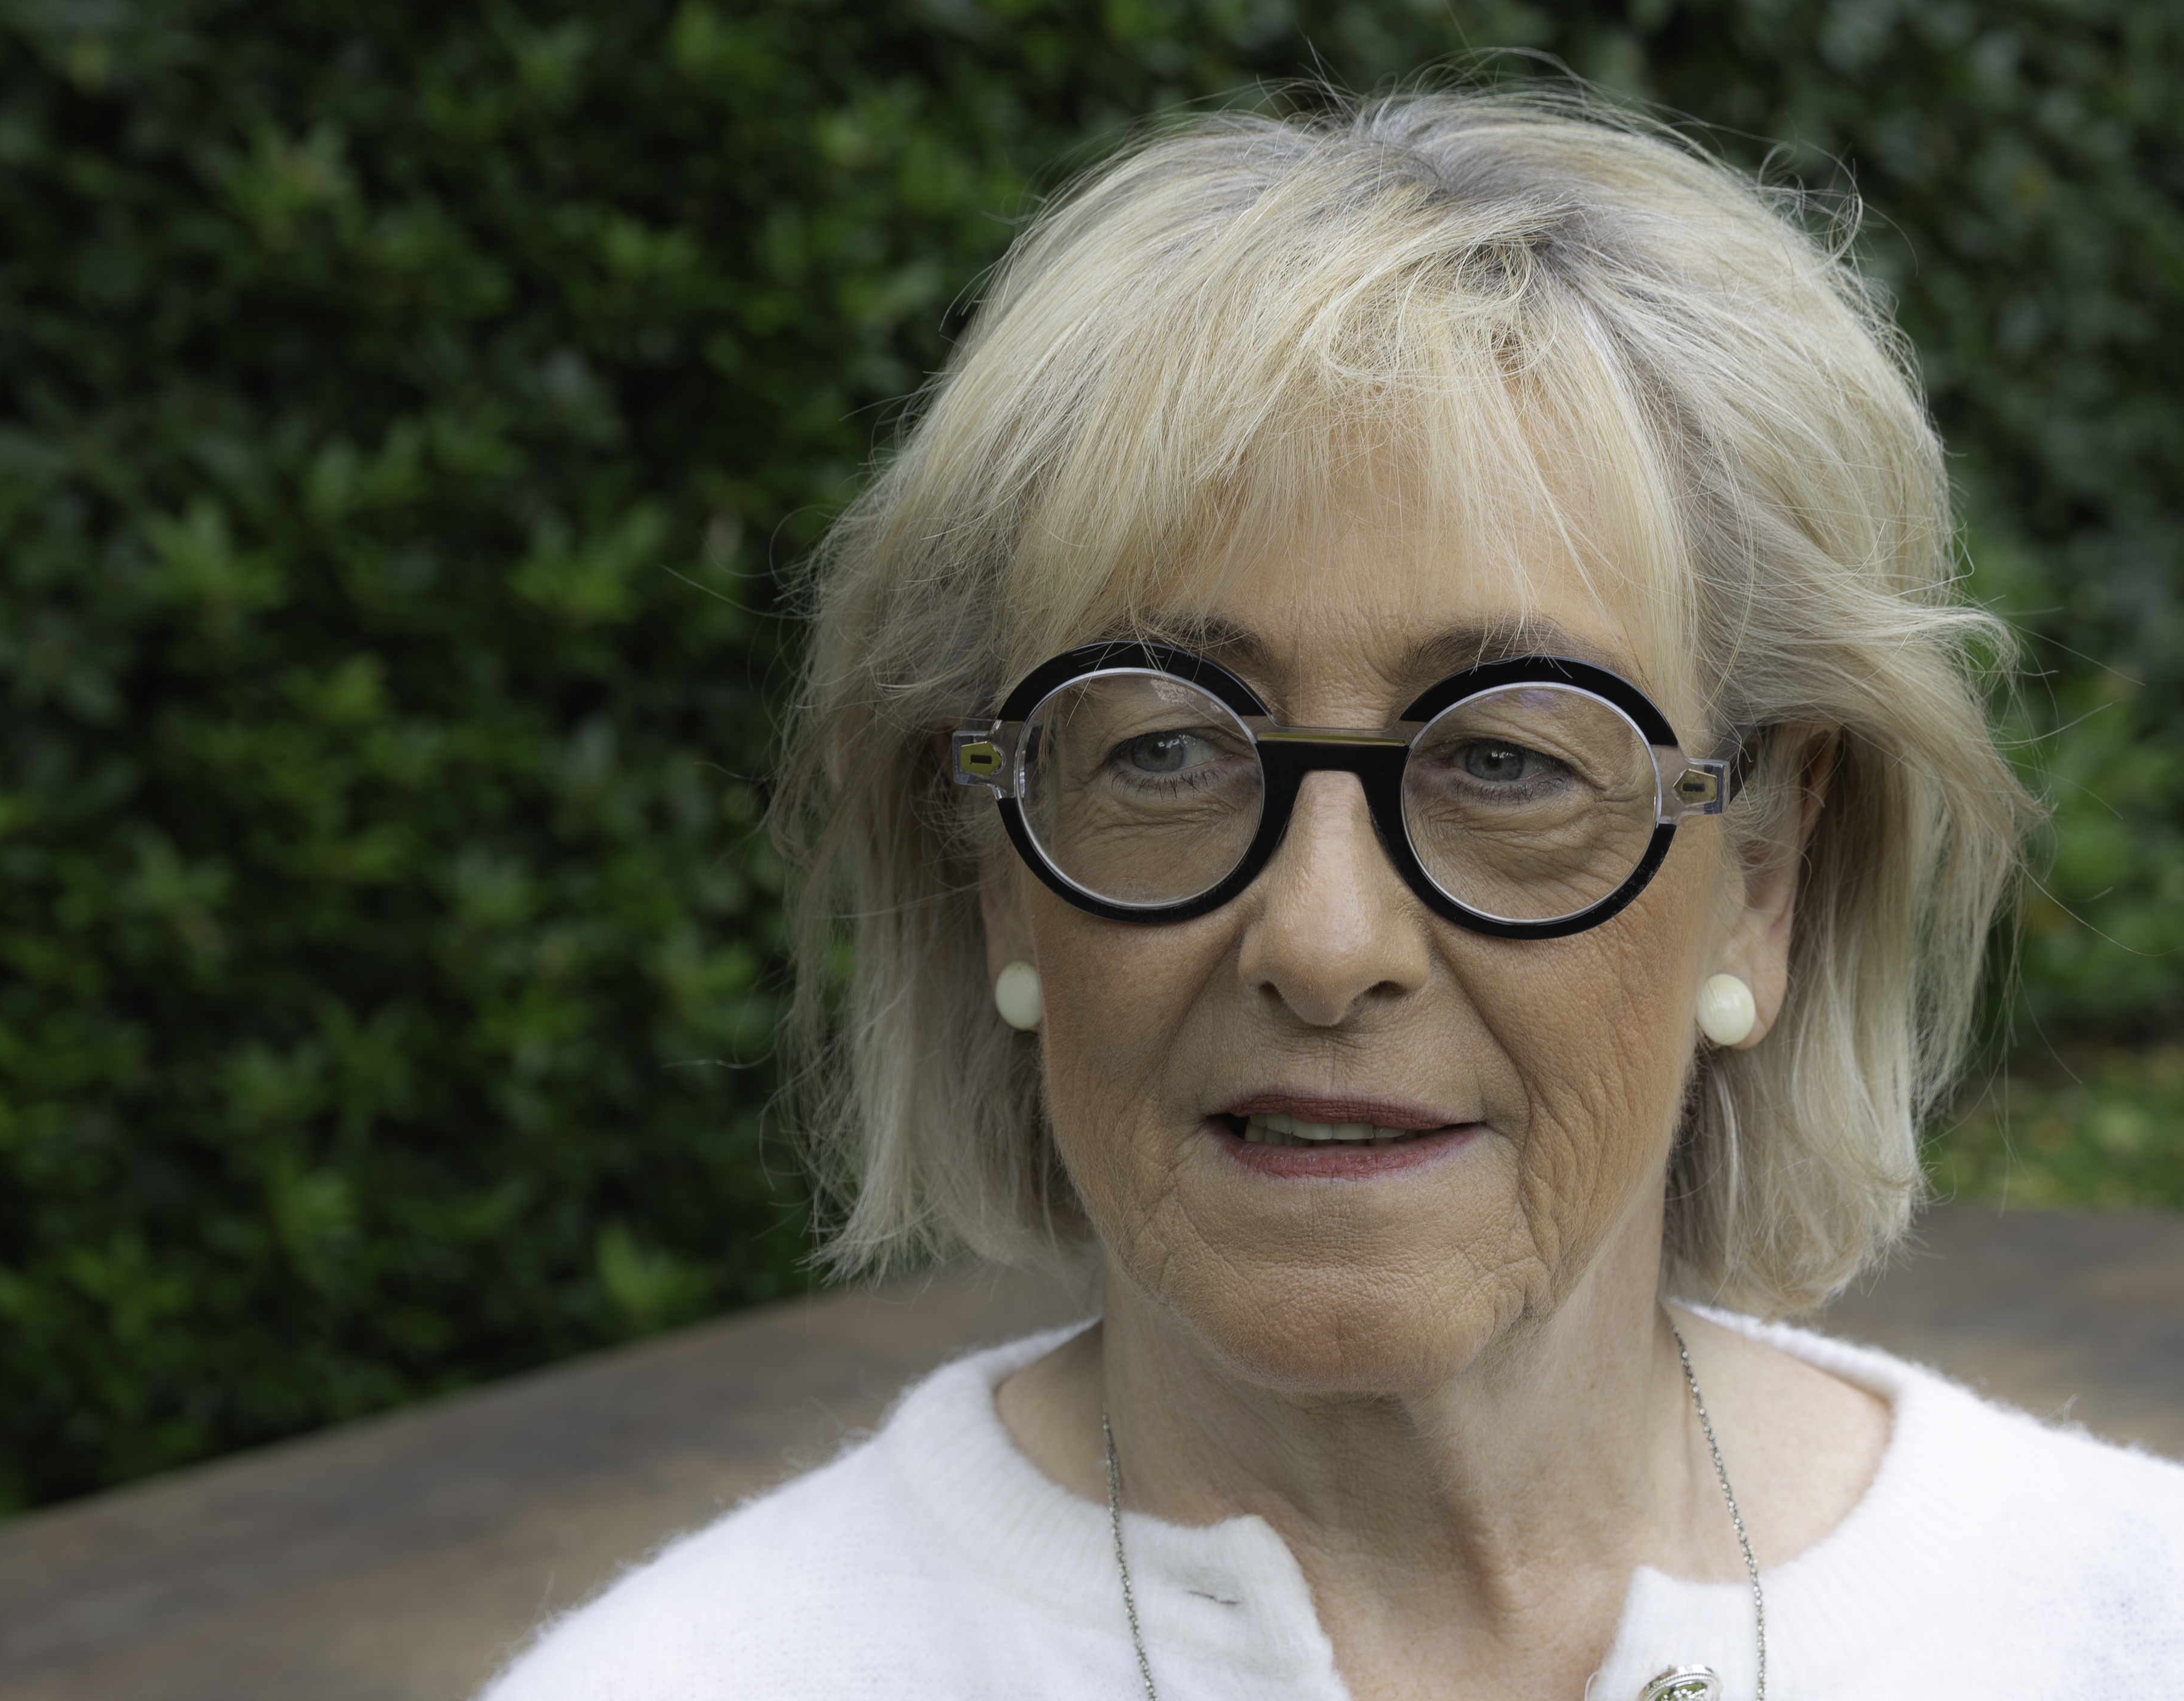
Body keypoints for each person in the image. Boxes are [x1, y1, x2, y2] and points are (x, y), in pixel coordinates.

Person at [487, 88, 2184, 1699]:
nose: (1320, 940)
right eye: (1165, 749)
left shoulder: (2115, 1626)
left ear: (1764, 871)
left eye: (1506, 758)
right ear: (997, 876)